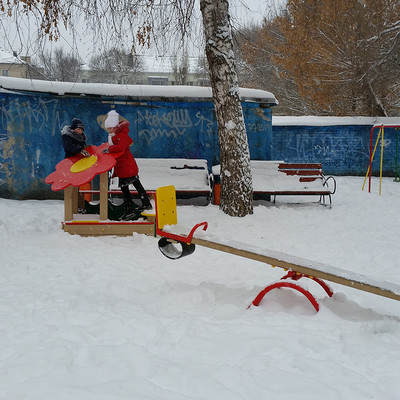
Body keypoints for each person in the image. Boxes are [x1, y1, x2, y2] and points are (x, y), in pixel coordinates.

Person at [103, 110, 152, 220]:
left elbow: (121, 147)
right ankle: (143, 204)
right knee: (134, 186)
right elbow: (128, 142)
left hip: (126, 166)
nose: (109, 130)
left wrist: (109, 149)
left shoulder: (121, 135)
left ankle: (131, 210)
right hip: (124, 166)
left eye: (110, 128)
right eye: (108, 128)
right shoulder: (117, 135)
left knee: (127, 189)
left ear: (115, 126)